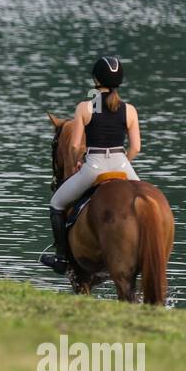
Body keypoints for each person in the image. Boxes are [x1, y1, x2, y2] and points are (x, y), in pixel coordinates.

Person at [40, 56, 142, 274]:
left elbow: (75, 145)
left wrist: (79, 161)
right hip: (122, 165)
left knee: (56, 203)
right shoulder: (130, 110)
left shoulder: (85, 108)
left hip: (93, 166)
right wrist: (122, 163)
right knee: (144, 204)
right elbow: (136, 148)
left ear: (96, 80)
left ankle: (62, 258)